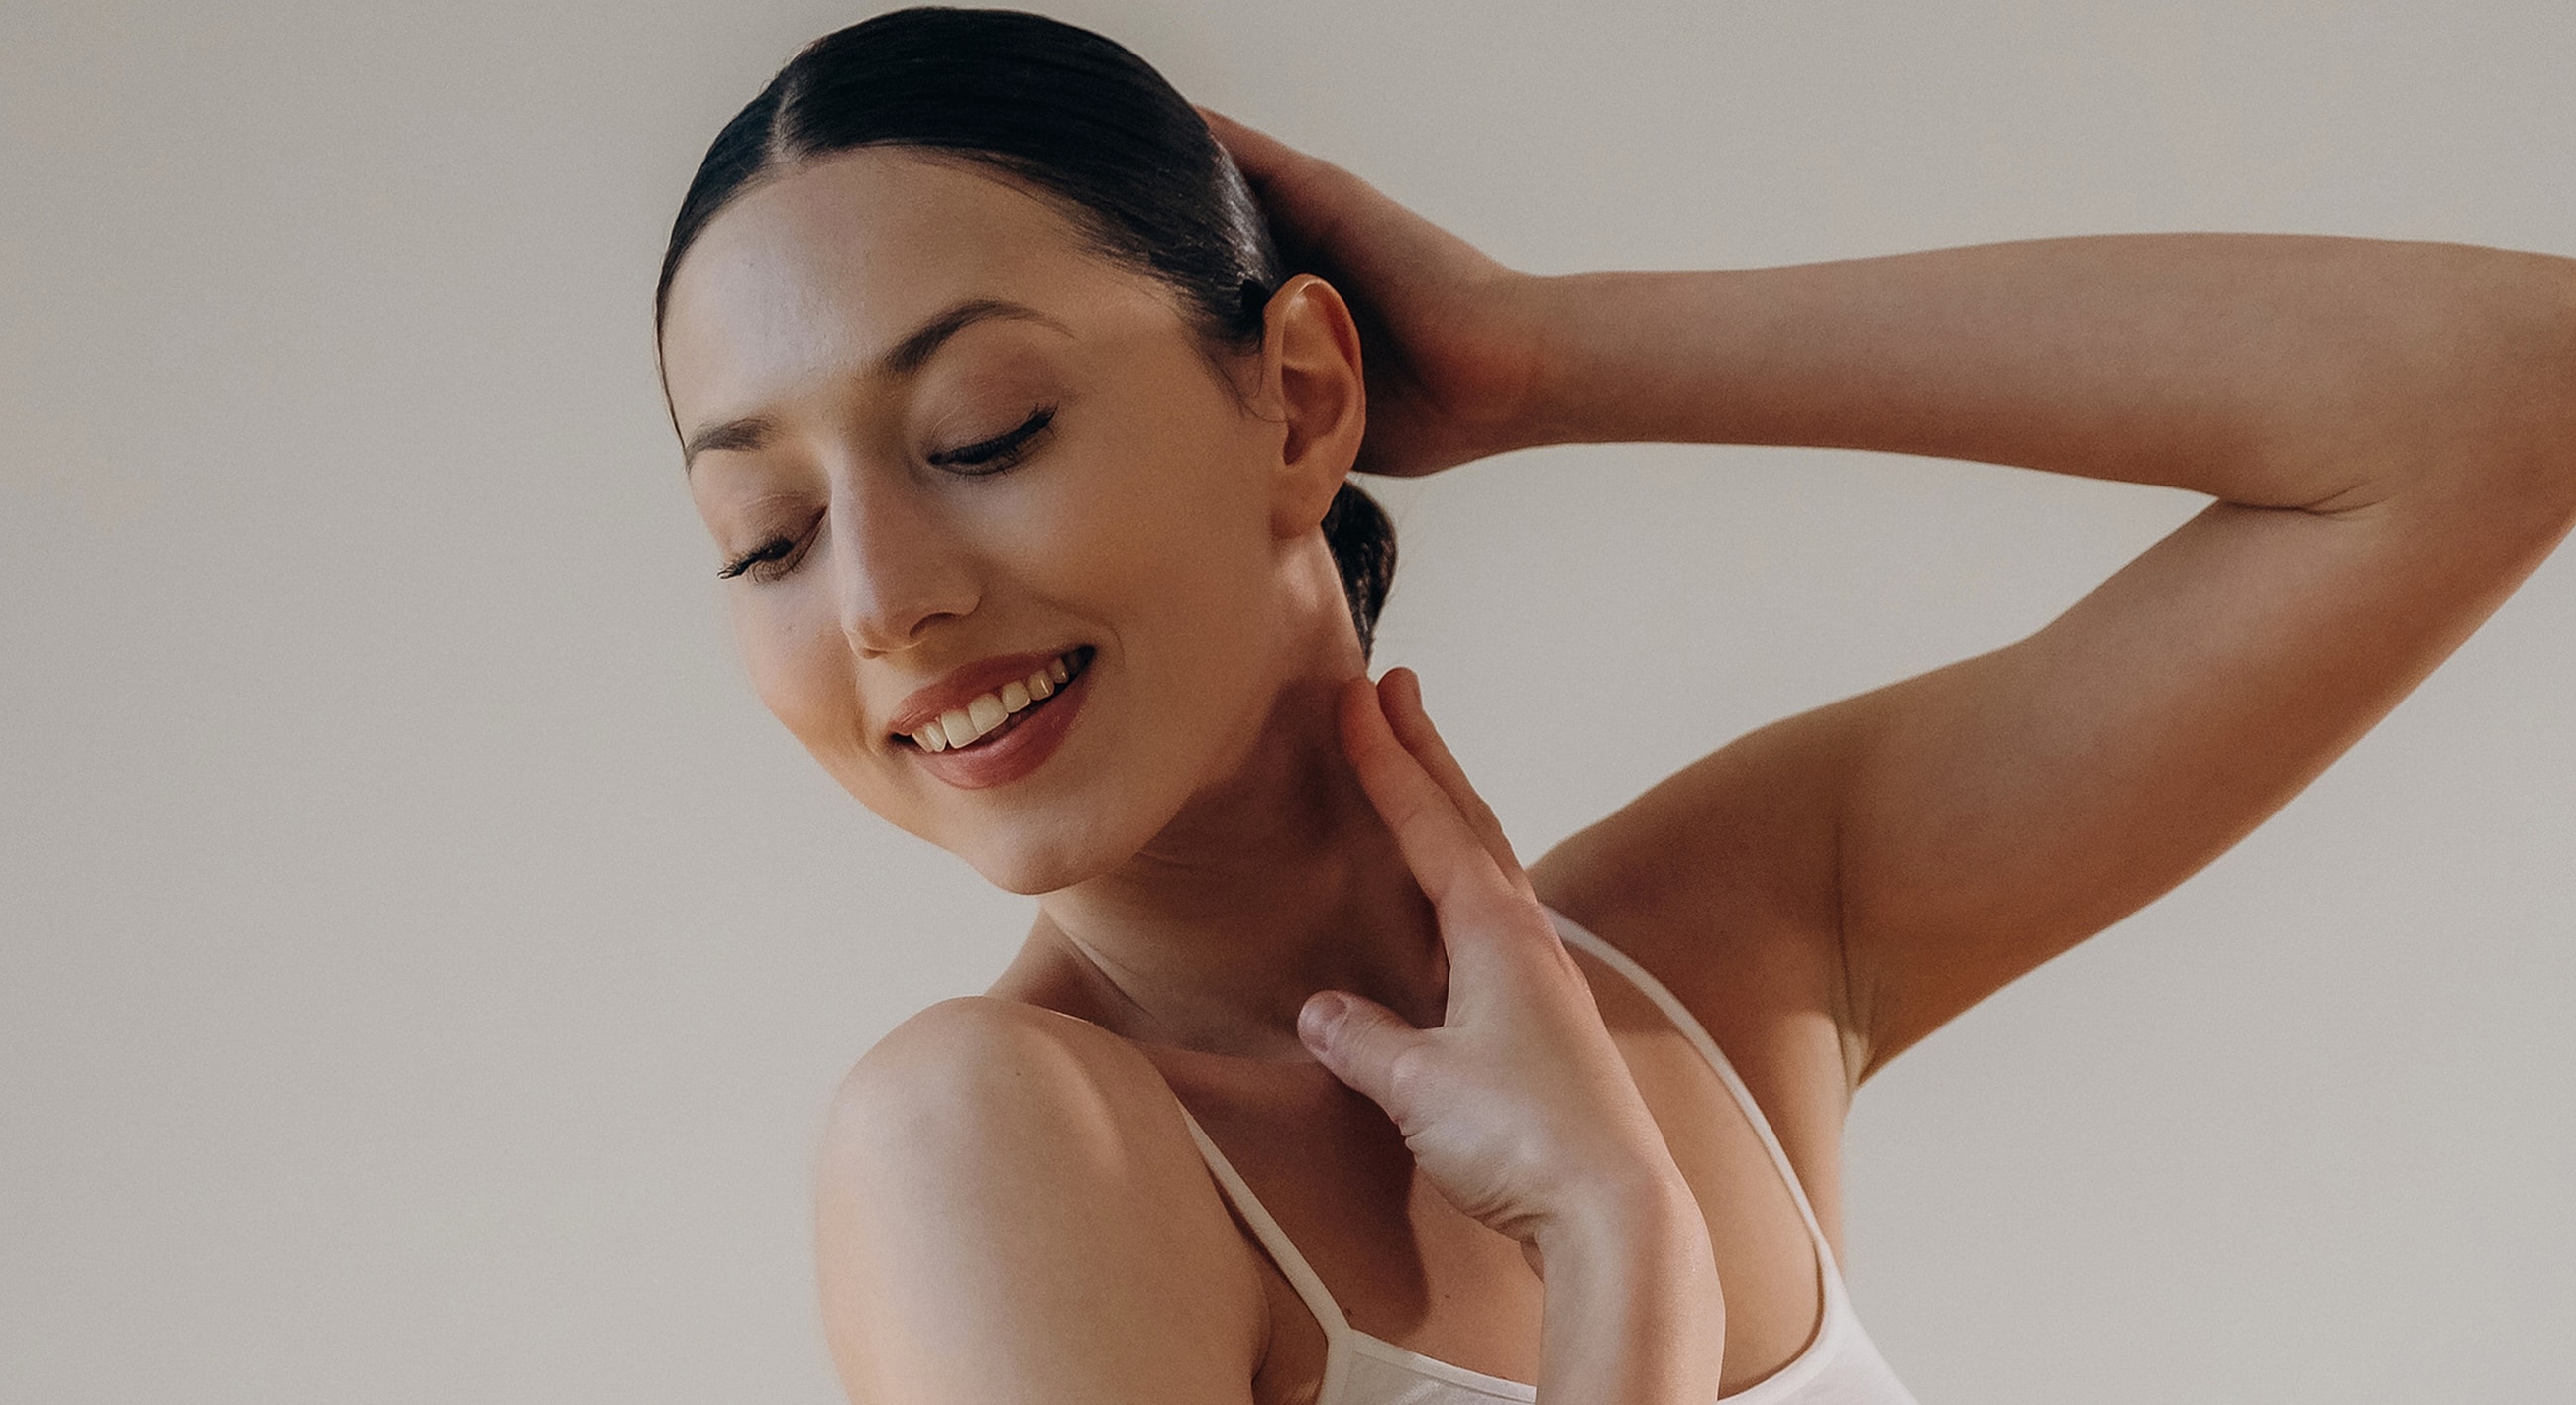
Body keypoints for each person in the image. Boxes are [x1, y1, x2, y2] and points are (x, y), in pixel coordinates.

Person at [652, 9, 2576, 1403]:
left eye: (984, 430)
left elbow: (2501, 397)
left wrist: (1529, 358)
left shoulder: (1718, 953)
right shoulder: (993, 1149)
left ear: (1301, 400)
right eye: (766, 535)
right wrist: (1619, 1267)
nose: (886, 597)